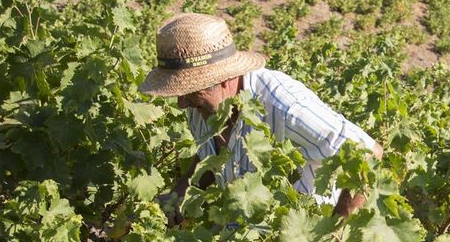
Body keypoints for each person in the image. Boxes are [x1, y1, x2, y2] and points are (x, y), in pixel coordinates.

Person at [139, 13, 383, 225]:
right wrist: (183, 189)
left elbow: (368, 153)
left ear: (224, 78)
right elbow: (212, 153)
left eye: (190, 90)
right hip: (241, 238)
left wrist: (329, 237)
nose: (182, 104)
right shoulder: (201, 102)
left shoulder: (285, 107)